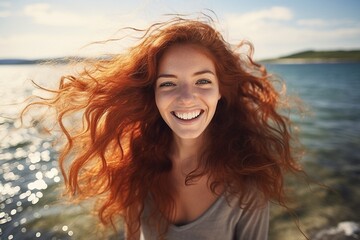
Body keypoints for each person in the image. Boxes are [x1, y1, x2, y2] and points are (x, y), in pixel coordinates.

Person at [25, 14, 303, 240]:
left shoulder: (248, 183)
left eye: (203, 81)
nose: (186, 97)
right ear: (153, 94)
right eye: (168, 83)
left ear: (221, 91)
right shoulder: (134, 166)